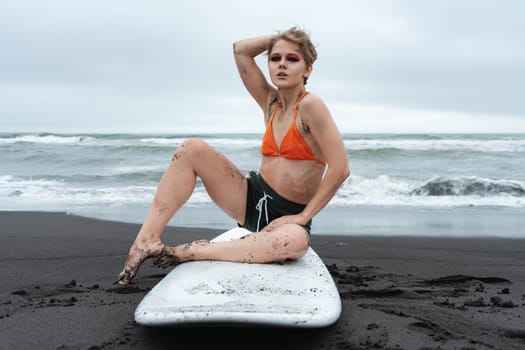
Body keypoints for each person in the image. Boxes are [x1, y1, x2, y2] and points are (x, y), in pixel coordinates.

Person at [118, 27, 350, 285]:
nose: (282, 65)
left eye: (292, 59)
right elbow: (241, 49)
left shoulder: (310, 105)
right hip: (250, 200)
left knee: (292, 242)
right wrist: (278, 38)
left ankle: (190, 252)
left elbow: (340, 168)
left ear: (307, 69)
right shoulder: (271, 103)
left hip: (287, 218)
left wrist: (302, 217)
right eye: (275, 59)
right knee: (191, 149)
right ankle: (146, 239)